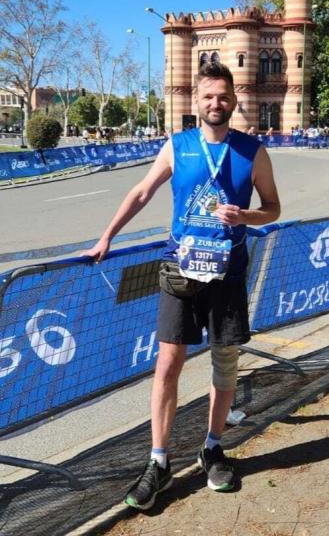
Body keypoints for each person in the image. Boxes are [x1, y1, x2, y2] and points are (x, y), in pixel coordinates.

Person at [85, 62, 281, 510]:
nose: (216, 103)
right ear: (197, 101)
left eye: (223, 96)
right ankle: (159, 460)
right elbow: (141, 192)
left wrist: (246, 216)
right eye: (208, 96)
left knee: (225, 364)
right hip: (180, 270)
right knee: (168, 363)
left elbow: (272, 207)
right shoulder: (178, 145)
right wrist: (107, 235)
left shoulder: (254, 151)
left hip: (227, 273)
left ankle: (212, 447)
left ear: (234, 100)